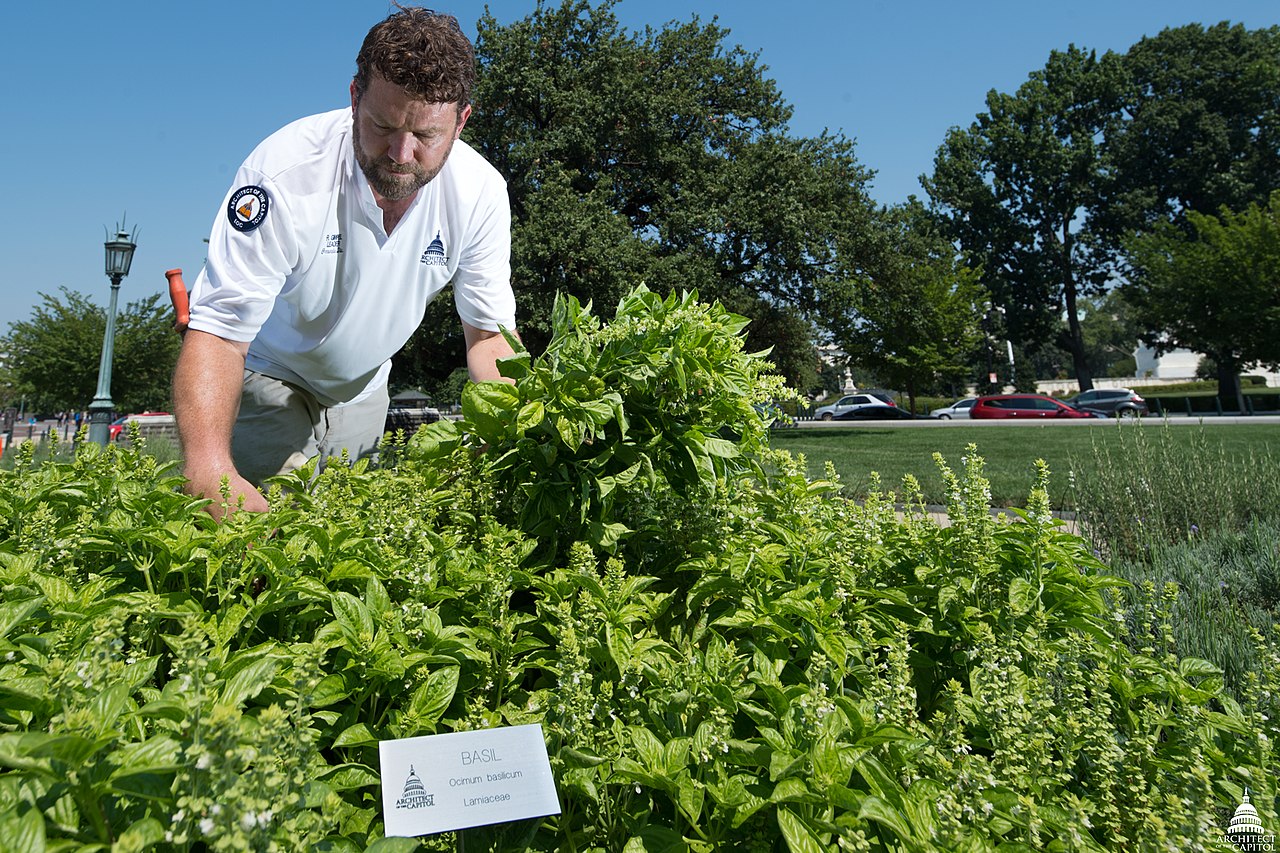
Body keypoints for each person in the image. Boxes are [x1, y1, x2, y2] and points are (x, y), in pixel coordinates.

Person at [174, 6, 517, 520]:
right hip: (271, 372)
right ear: (355, 97)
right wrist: (207, 467)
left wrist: (507, 433)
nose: (401, 155)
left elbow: (489, 338)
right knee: (271, 537)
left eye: (425, 135)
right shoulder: (282, 175)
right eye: (382, 125)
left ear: (461, 120)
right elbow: (219, 332)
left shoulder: (481, 193)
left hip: (364, 387)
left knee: (351, 535)